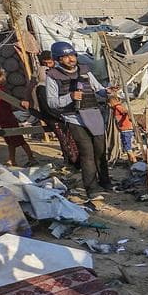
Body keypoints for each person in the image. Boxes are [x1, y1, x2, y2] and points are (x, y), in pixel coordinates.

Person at [44, 41, 111, 195]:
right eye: (66, 56)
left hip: (93, 115)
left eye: (72, 55)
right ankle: (91, 188)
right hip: (74, 118)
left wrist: (108, 91)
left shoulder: (85, 71)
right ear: (58, 59)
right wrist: (70, 97)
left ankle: (105, 182)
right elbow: (52, 102)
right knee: (87, 154)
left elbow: (98, 89)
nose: (71, 59)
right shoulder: (52, 76)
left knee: (100, 152)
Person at [0, 68, 35, 167]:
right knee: (10, 141)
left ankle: (31, 158)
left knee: (19, 140)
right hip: (5, 118)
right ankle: (12, 160)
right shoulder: (3, 90)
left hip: (7, 119)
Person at [34, 50, 77, 166]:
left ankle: (74, 160)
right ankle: (70, 161)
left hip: (63, 109)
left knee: (71, 136)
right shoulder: (42, 79)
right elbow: (48, 105)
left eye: (50, 62)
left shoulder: (60, 71)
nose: (48, 65)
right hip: (53, 113)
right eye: (46, 63)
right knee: (63, 136)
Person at [107, 94, 138, 165]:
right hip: (124, 129)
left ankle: (135, 162)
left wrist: (124, 116)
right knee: (127, 147)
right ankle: (131, 163)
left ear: (113, 102)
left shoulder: (118, 107)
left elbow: (125, 111)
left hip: (126, 129)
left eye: (109, 103)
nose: (109, 105)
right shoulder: (115, 108)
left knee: (128, 148)